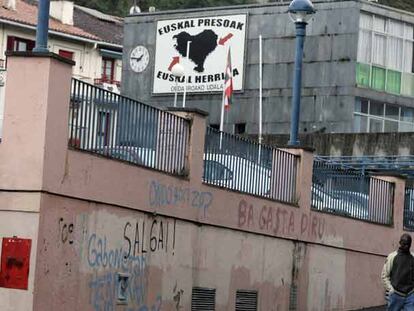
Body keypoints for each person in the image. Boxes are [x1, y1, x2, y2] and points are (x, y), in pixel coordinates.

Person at [382, 233, 414, 310]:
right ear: (400, 243)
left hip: (410, 295)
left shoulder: (413, 257)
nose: (406, 246)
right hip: (396, 295)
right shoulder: (392, 256)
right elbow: (384, 276)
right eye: (404, 243)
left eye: (408, 244)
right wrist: (391, 289)